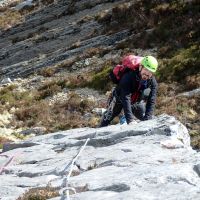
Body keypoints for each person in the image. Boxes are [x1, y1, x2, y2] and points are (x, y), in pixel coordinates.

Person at [100, 55, 158, 127]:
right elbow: (125, 97)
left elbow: (151, 100)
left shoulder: (152, 81)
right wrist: (130, 120)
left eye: (150, 72)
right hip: (119, 99)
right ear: (140, 67)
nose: (147, 74)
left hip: (135, 103)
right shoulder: (129, 76)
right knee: (107, 120)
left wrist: (147, 119)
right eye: (146, 69)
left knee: (145, 117)